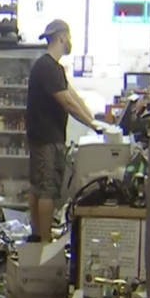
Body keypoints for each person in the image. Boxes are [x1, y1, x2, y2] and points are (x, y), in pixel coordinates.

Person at [25, 19, 103, 243]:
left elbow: (71, 94)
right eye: (68, 37)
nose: (70, 42)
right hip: (46, 137)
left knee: (38, 186)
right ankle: (45, 241)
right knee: (46, 189)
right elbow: (66, 102)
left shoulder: (53, 67)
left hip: (44, 136)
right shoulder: (47, 67)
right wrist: (93, 125)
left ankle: (38, 234)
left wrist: (93, 119)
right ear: (61, 37)